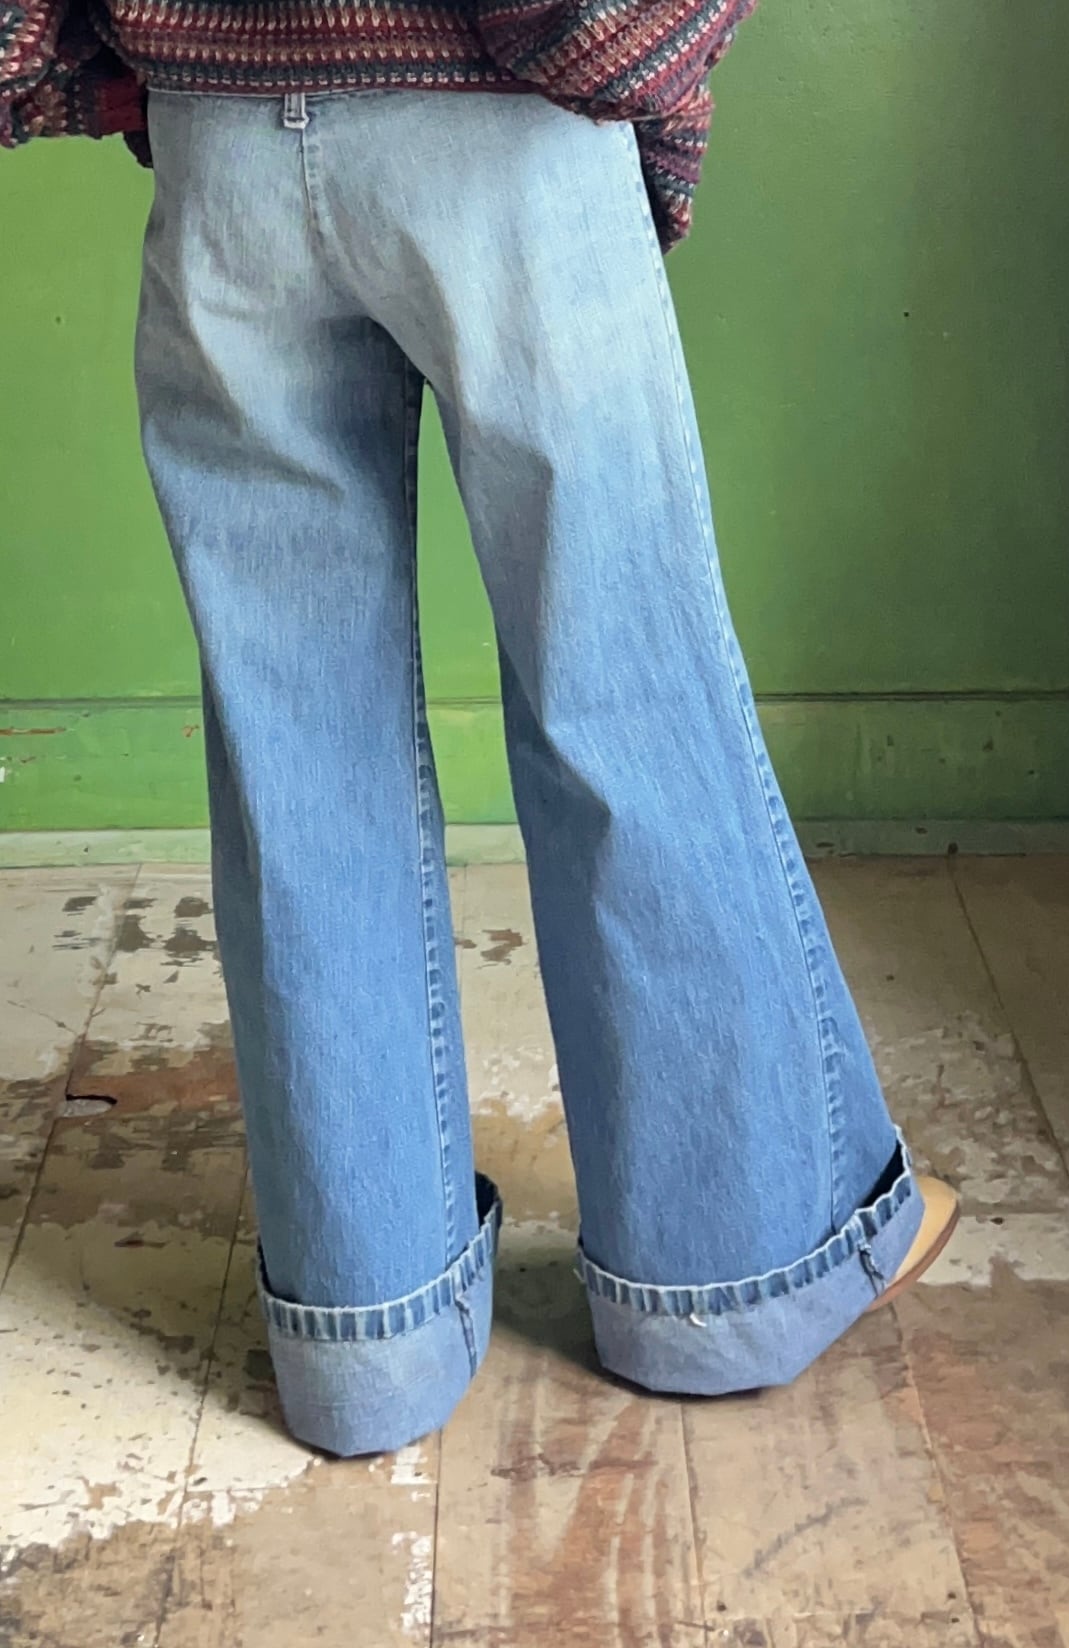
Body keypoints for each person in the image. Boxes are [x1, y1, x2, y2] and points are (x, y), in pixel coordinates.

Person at [2, 0, 958, 1457]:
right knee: (623, 699)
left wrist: (96, 58)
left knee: (298, 754)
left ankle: (364, 1339)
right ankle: (729, 1282)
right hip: (502, 122)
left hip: (224, 142)